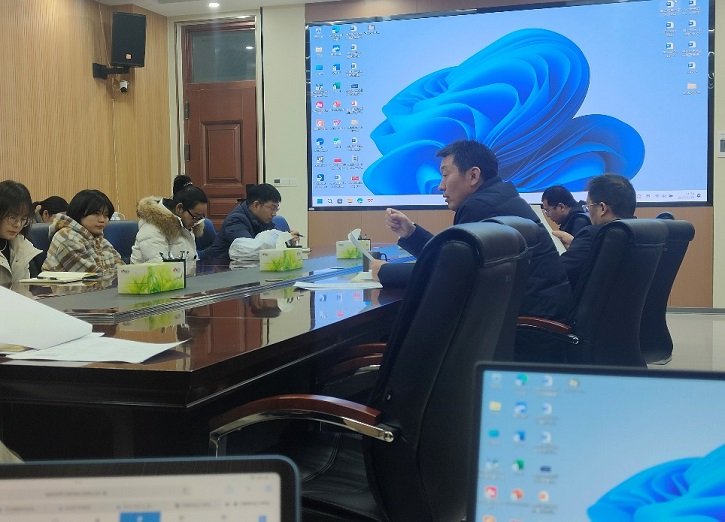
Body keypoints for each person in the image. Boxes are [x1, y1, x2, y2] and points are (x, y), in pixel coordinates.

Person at [375, 139, 571, 320]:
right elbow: (451, 259)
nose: (441, 186)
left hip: (528, 328)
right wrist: (411, 233)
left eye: (445, 175)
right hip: (538, 320)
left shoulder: (480, 207)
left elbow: (448, 274)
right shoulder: (499, 199)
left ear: (473, 176)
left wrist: (383, 271)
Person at [559, 173, 636, 290]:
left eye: (588, 206)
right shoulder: (643, 233)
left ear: (602, 208)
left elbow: (558, 273)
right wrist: (576, 245)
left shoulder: (593, 235)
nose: (588, 212)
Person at [202, 183, 300, 266]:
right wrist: (280, 239)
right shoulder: (235, 220)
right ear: (256, 205)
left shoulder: (263, 219)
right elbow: (250, 251)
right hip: (223, 271)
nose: (274, 214)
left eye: (276, 209)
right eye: (272, 208)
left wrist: (288, 239)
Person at [131, 175, 208, 273]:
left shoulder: (186, 224)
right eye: (195, 216)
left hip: (179, 280)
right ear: (179, 208)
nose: (196, 221)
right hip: (146, 280)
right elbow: (160, 271)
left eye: (201, 217)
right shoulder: (152, 229)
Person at [43, 189, 124, 273]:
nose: (102, 220)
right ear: (79, 212)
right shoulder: (67, 237)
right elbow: (92, 276)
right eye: (96, 214)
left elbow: (123, 270)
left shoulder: (100, 240)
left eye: (106, 215)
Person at [0, 180, 42, 286]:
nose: (18, 224)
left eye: (23, 219)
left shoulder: (21, 245)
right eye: (12, 217)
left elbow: (25, 287)